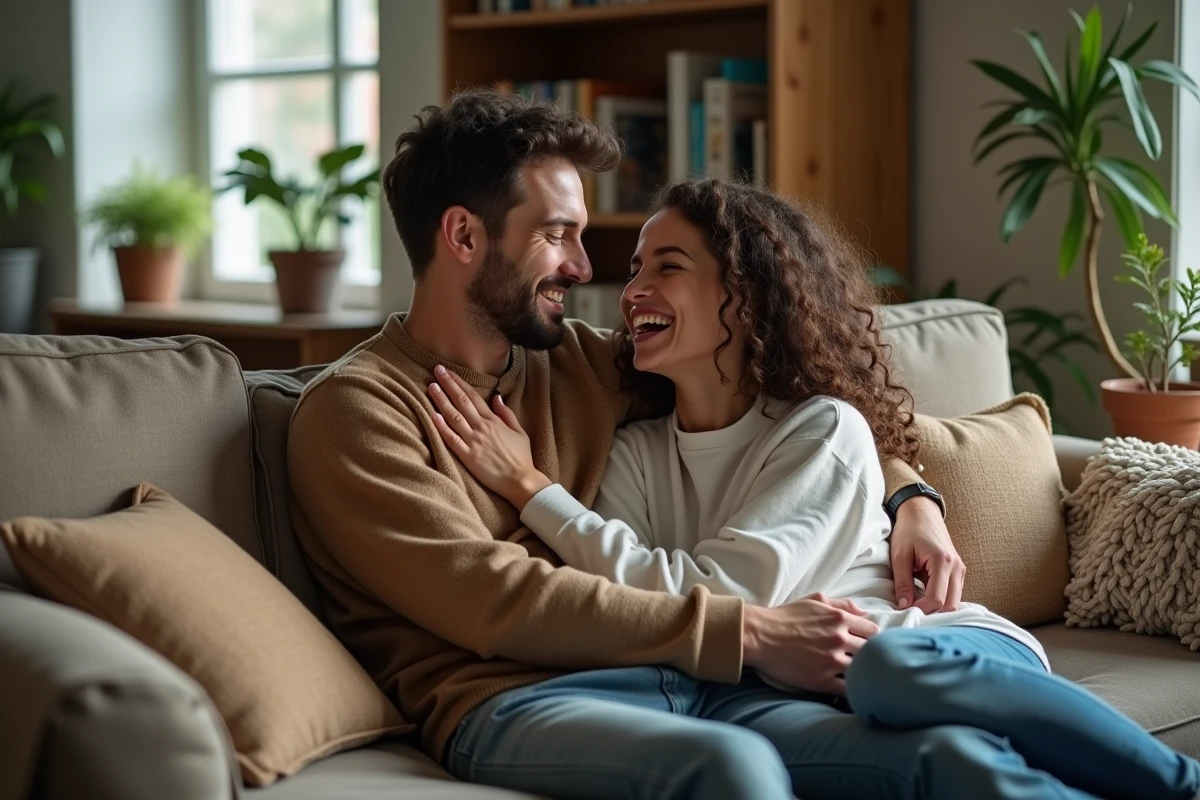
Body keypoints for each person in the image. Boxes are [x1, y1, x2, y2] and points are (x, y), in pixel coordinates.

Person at [287, 89, 967, 800]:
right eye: (557, 235)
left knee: (937, 760)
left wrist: (911, 496)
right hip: (502, 699)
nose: (584, 268)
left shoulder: (580, 363)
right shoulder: (356, 412)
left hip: (660, 677)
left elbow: (784, 386)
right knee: (734, 769)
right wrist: (747, 634)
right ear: (463, 236)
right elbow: (495, 600)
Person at [425, 177, 1200, 800]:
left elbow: (726, 590)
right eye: (635, 268)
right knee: (951, 763)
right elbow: (650, 604)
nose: (633, 290)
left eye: (668, 266)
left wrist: (531, 487)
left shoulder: (821, 428)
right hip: (785, 692)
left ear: (749, 294)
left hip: (927, 650)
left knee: (884, 671)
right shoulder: (633, 453)